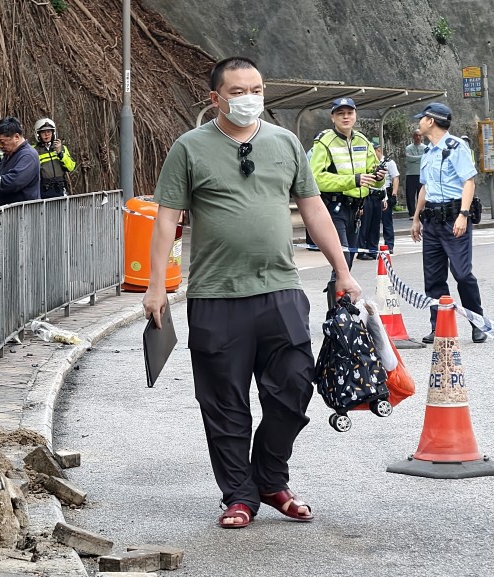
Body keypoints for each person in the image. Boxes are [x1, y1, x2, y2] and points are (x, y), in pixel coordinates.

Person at [142, 57, 362, 530]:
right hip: (216, 297)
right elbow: (165, 221)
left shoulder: (285, 144)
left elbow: (314, 209)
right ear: (215, 98)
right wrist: (157, 286)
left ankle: (269, 478)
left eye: (256, 88)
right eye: (238, 91)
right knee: (224, 403)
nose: (249, 98)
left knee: (294, 389)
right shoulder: (189, 148)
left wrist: (342, 270)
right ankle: (239, 494)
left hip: (280, 291)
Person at [409, 103, 487, 344]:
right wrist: (416, 218)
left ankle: (478, 322)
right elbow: (424, 187)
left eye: (421, 119)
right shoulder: (428, 153)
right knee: (433, 278)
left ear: (431, 121)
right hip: (431, 221)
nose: (418, 123)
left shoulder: (456, 147)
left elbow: (469, 182)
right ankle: (439, 326)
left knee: (462, 274)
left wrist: (464, 214)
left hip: (454, 218)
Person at [310, 97, 384, 275]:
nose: (346, 117)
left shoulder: (363, 141)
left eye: (349, 113)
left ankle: (341, 301)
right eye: (340, 113)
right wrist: (354, 180)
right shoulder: (324, 141)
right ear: (332, 117)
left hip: (358, 208)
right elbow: (315, 178)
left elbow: (374, 176)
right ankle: (339, 302)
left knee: (348, 260)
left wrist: (379, 176)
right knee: (342, 259)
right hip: (336, 208)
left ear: (355, 115)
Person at [356, 141, 399, 259]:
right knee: (365, 224)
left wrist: (385, 198)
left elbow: (383, 183)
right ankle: (362, 250)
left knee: (375, 225)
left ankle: (372, 249)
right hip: (367, 196)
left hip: (378, 196)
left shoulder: (387, 163)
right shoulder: (365, 163)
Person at [0, 117, 39, 207]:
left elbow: (14, 182)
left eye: (2, 142)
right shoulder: (9, 154)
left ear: (16, 137)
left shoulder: (28, 155)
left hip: (23, 214)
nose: (0, 147)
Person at [32, 118, 76, 198]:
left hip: (60, 189)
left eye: (49, 131)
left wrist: (60, 153)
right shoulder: (34, 151)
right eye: (43, 132)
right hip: (43, 191)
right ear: (38, 134)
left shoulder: (62, 148)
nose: (47, 134)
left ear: (53, 133)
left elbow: (71, 167)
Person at [377, 143, 400, 253]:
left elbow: (395, 178)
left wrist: (394, 195)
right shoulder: (371, 162)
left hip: (386, 193)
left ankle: (389, 245)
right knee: (374, 222)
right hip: (375, 193)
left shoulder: (389, 163)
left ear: (379, 150)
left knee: (387, 221)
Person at [404, 130, 426, 217]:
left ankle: (421, 212)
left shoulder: (425, 147)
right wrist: (421, 157)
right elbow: (409, 159)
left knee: (422, 194)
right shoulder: (408, 148)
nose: (418, 137)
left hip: (421, 174)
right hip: (411, 174)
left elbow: (426, 158)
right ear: (413, 137)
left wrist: (415, 158)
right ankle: (412, 213)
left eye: (419, 136)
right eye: (416, 135)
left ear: (422, 137)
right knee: (410, 195)